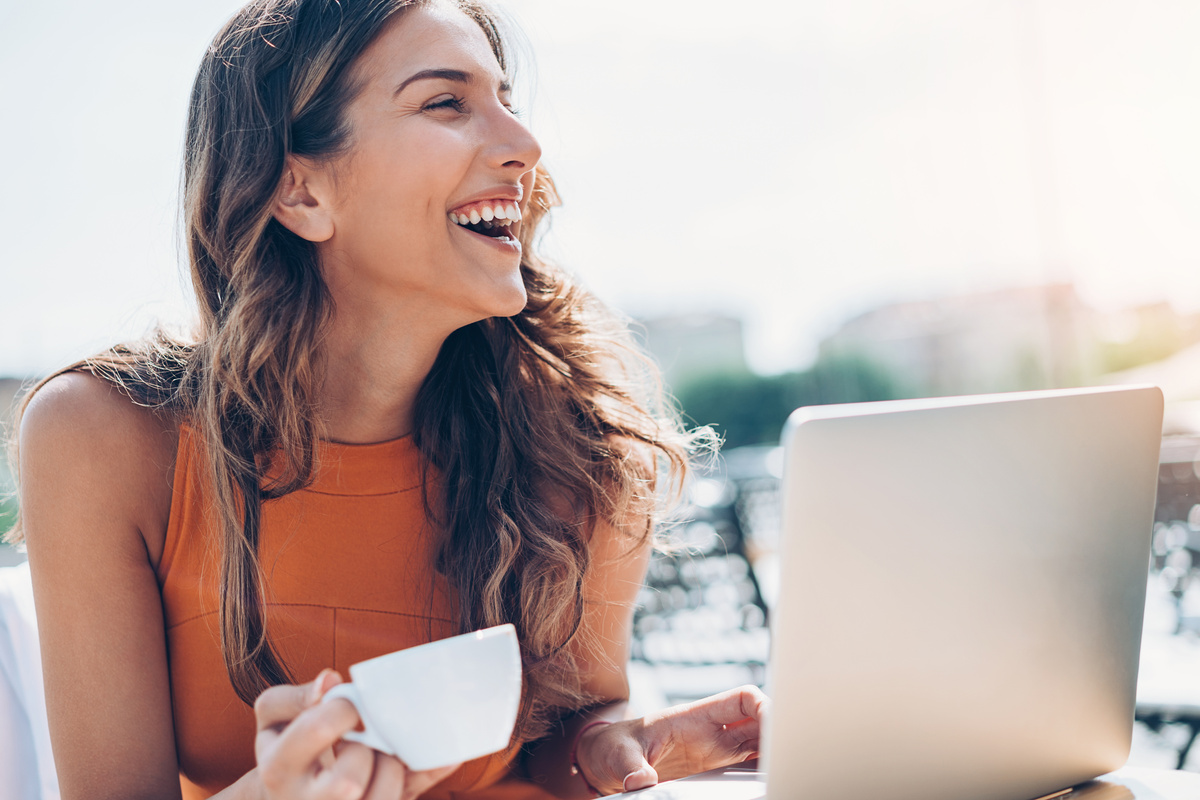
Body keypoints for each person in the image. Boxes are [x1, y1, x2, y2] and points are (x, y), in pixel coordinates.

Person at [8, 1, 766, 799]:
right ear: (300, 192)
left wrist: (614, 746)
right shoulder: (105, 439)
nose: (526, 145)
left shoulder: (579, 447)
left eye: (507, 101)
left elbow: (567, 731)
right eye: (446, 102)